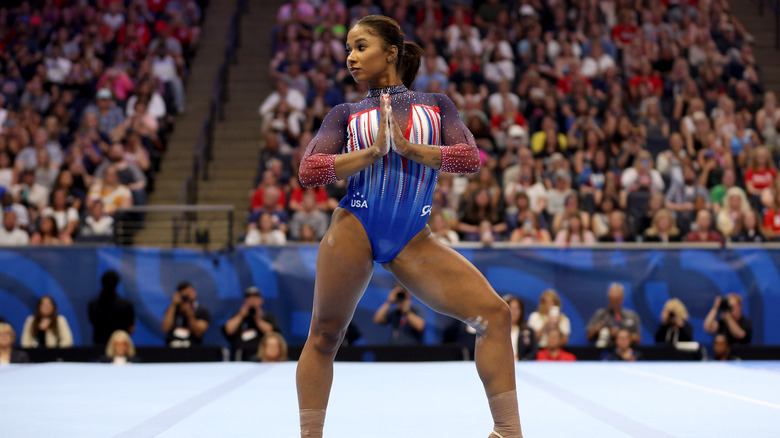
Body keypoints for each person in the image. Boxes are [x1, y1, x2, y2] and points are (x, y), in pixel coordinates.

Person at [295, 16, 522, 438]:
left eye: (361, 47)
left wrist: (411, 148)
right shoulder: (345, 113)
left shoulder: (436, 105)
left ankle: (508, 431)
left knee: (495, 315)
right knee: (325, 335)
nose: (350, 57)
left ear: (392, 51)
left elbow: (471, 159)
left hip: (413, 239)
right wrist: (371, 153)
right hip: (355, 225)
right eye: (348, 49)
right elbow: (308, 171)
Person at [222, 286, 281, 361]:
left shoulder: (267, 317)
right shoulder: (238, 315)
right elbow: (229, 330)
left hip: (260, 358)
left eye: (255, 297)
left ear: (261, 300)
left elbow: (272, 334)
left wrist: (258, 319)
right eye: (249, 298)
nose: (252, 300)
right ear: (245, 300)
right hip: (239, 357)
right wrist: (241, 315)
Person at [586, 283, 641, 348]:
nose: (613, 302)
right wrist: (596, 330)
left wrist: (620, 334)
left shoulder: (632, 316)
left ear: (622, 298)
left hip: (626, 352)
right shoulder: (600, 314)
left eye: (616, 299)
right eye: (611, 299)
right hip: (604, 352)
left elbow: (638, 339)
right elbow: (589, 337)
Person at [88, 270, 136, 345]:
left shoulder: (93, 304)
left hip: (99, 347)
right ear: (117, 283)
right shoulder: (126, 305)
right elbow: (131, 328)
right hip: (120, 348)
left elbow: (92, 321)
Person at [161, 281, 210, 348]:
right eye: (183, 295)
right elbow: (165, 328)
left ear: (194, 293)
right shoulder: (172, 309)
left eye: (188, 294)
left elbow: (199, 333)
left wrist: (189, 313)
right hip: (172, 347)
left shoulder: (202, 311)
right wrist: (173, 305)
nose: (186, 297)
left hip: (193, 349)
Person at [503, 295, 537, 361]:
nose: (514, 312)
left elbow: (533, 352)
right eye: (511, 308)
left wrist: (523, 362)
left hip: (523, 366)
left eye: (517, 308)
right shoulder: (498, 330)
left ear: (521, 311)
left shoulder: (528, 331)